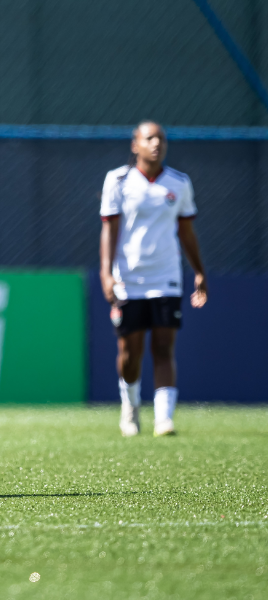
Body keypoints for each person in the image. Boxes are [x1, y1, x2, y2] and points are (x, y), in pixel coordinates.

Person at [99, 120, 206, 438]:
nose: (156, 143)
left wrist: (199, 270)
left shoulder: (179, 182)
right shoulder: (118, 181)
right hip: (129, 279)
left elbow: (186, 231)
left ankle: (163, 418)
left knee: (163, 345)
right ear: (136, 144)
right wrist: (106, 273)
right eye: (149, 138)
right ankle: (130, 408)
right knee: (130, 351)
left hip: (167, 277)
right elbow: (110, 229)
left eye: (160, 138)